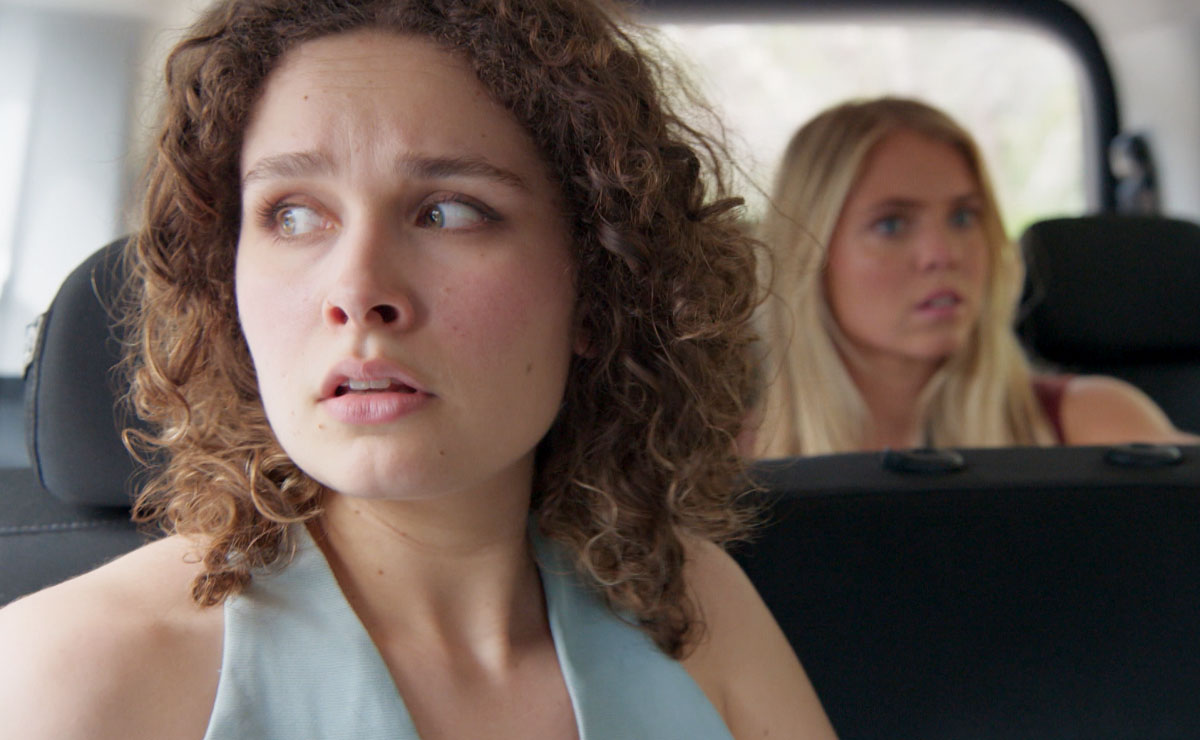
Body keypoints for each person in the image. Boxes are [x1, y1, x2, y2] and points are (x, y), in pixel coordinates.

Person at [0, 1, 836, 738]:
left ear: (598, 288)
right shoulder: (72, 675)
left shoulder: (695, 610)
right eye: (292, 215)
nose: (358, 291)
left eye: (448, 212)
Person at [755, 96, 1196, 457]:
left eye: (964, 217)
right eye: (891, 224)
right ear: (807, 254)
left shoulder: (1096, 426)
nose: (942, 254)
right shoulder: (731, 465)